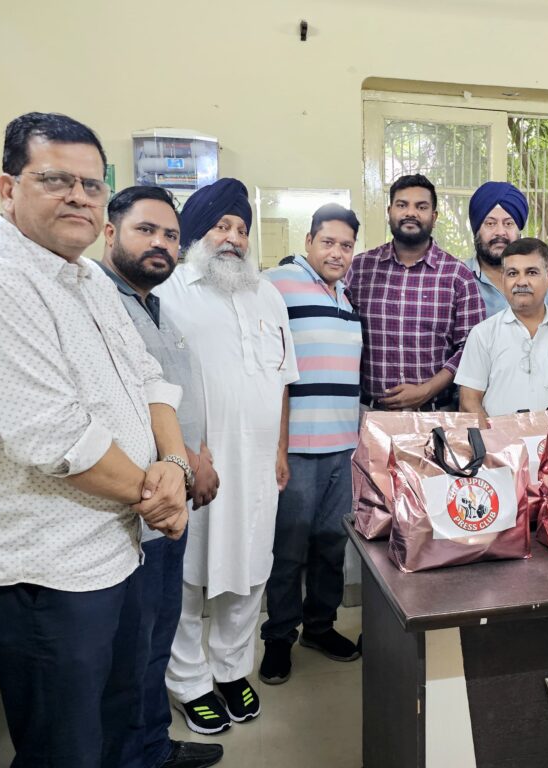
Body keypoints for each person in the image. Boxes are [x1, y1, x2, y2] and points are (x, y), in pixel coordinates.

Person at [0, 112, 190, 767]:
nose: (78, 196)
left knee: (119, 719)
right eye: (55, 180)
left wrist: (174, 463)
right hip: (48, 568)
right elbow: (56, 437)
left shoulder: (85, 278)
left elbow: (148, 378)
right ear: (7, 188)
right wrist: (160, 495)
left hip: (116, 546)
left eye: (92, 185)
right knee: (65, 747)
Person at [156, 178, 299, 734]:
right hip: (195, 465)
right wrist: (184, 454)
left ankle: (232, 669)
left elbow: (283, 380)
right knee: (189, 577)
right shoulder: (169, 293)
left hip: (258, 465)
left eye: (241, 228)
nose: (234, 238)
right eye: (221, 226)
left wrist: (281, 449)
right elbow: (154, 389)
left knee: (250, 568)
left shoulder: (267, 295)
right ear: (197, 232)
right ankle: (189, 681)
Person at [100, 186, 224, 768]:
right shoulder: (101, 304)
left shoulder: (155, 306)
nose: (160, 244)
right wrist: (178, 467)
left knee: (156, 635)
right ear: (110, 233)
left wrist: (198, 455)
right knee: (132, 649)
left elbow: (175, 392)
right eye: (145, 230)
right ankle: (134, 755)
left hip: (174, 497)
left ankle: (152, 746)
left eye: (170, 235)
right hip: (135, 505)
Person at [258, 204, 364, 684]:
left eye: (346, 245)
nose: (337, 253)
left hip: (343, 447)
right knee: (289, 549)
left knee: (330, 545)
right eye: (328, 242)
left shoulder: (346, 295)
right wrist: (276, 449)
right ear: (308, 241)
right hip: (298, 450)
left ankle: (319, 627)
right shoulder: (276, 286)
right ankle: (278, 637)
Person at [347, 173, 485, 410]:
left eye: (421, 207)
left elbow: (471, 348)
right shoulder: (359, 269)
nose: (410, 213)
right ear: (390, 211)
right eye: (402, 205)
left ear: (434, 216)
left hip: (435, 415)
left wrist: (427, 389)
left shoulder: (457, 276)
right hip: (369, 414)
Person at [456, 237, 548, 418]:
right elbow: (469, 401)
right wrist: (491, 435)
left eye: (531, 272)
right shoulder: (483, 334)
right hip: (498, 436)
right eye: (513, 273)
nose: (521, 282)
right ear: (503, 279)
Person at [463, 181, 548, 316]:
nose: (500, 232)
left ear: (519, 231)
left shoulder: (544, 284)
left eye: (508, 223)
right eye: (490, 223)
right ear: (476, 230)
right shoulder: (458, 278)